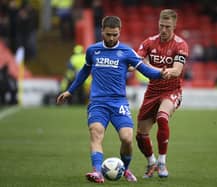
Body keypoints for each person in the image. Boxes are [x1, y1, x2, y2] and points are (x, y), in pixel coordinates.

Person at [56, 16, 169, 183]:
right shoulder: (93, 50)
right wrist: (70, 91)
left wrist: (160, 74)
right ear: (102, 31)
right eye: (108, 34)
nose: (111, 38)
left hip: (119, 103)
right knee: (96, 133)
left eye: (115, 35)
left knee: (127, 138)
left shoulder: (126, 52)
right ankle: (97, 172)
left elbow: (145, 70)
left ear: (119, 32)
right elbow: (84, 72)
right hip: (98, 103)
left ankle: (125, 169)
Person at [135, 9, 189, 178]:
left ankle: (162, 162)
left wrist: (159, 70)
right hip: (152, 91)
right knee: (141, 135)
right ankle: (151, 163)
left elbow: (177, 69)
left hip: (172, 90)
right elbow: (136, 61)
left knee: (162, 116)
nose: (163, 30)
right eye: (161, 26)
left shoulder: (181, 44)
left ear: (174, 26)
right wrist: (135, 65)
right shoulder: (149, 42)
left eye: (167, 26)